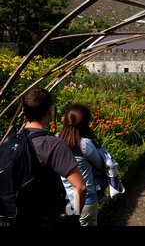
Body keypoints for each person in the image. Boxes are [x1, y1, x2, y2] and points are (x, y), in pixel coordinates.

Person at [21, 87, 87, 226]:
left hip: (18, 217)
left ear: (23, 111)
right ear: (50, 111)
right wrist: (73, 216)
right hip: (46, 218)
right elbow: (80, 187)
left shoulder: (10, 142)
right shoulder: (53, 144)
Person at [58, 104, 104, 226]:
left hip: (67, 200)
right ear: (86, 123)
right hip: (86, 200)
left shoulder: (57, 139)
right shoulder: (85, 144)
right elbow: (100, 165)